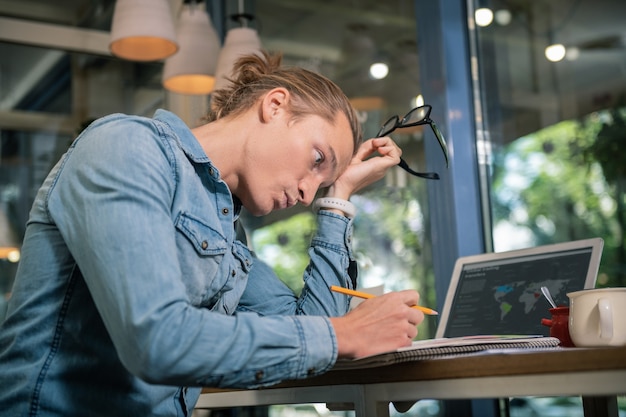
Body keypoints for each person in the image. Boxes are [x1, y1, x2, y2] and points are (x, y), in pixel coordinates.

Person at [0, 51, 424, 416]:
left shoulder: (225, 235)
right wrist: (346, 334)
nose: (308, 192)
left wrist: (340, 196)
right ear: (275, 106)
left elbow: (313, 327)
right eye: (317, 159)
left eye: (323, 183)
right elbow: (157, 341)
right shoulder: (126, 146)